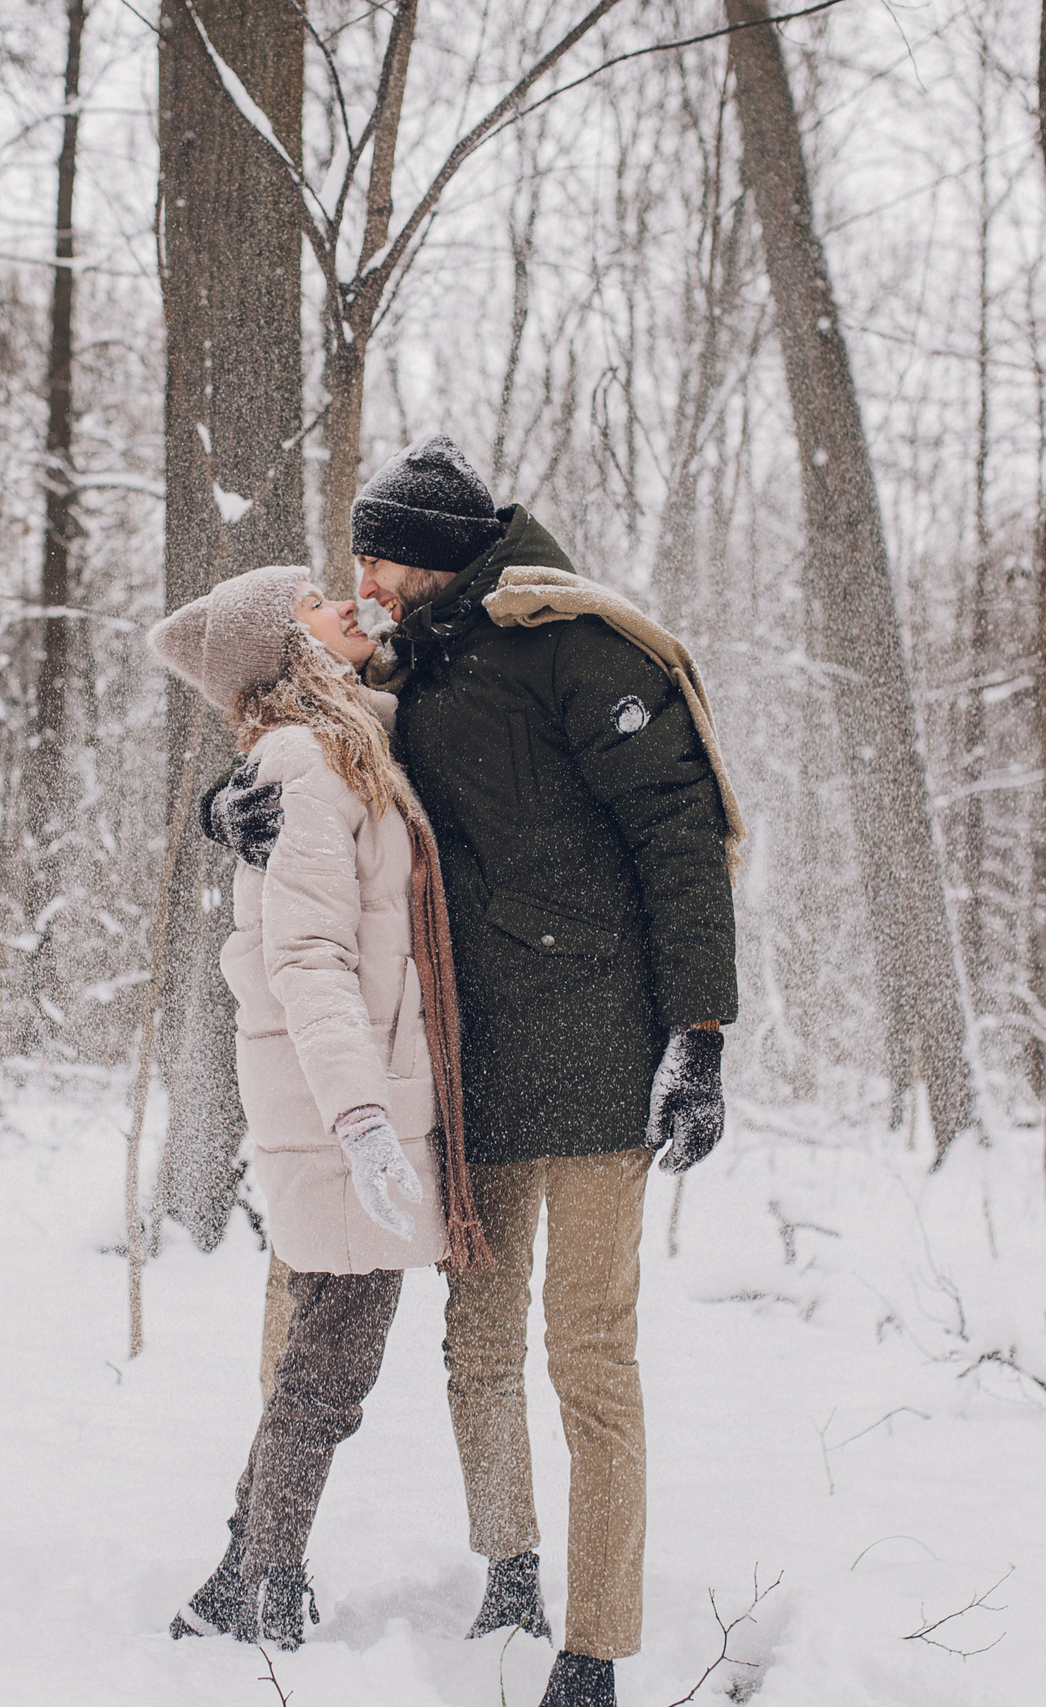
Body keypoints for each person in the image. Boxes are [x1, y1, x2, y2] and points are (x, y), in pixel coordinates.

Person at [359, 435, 741, 1707]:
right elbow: (287, 735)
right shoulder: (404, 662)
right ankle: (509, 1566)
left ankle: (596, 1644)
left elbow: (679, 832)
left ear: (433, 555)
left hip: (596, 1054)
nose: (362, 578)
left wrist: (699, 1034)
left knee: (588, 1355)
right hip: (472, 1060)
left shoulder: (577, 644)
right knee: (476, 1345)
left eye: (377, 555)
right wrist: (229, 809)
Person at [148, 564, 492, 1650]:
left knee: (321, 1353)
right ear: (287, 650)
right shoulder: (304, 759)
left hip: (351, 1089)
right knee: (330, 1369)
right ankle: (265, 1586)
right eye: (311, 606)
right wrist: (360, 1119)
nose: (343, 605)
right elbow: (306, 955)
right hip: (342, 1099)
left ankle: (238, 1575)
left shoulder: (341, 746)